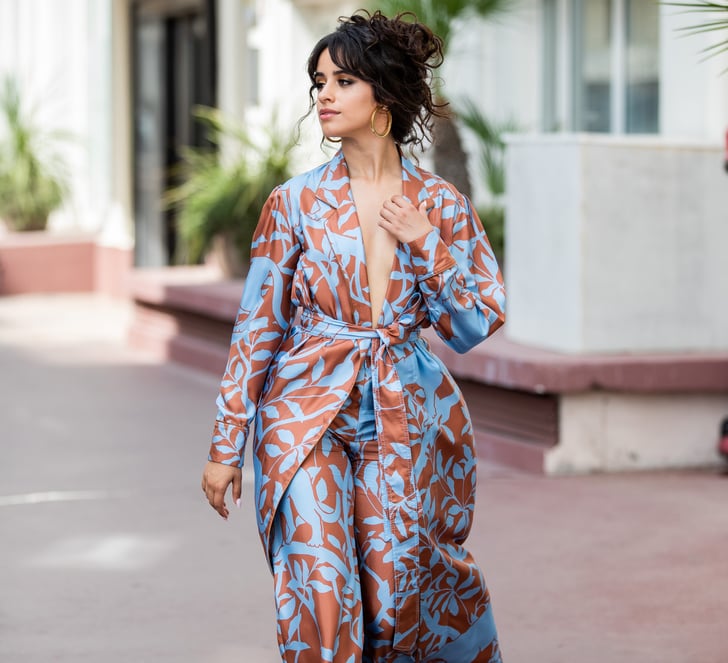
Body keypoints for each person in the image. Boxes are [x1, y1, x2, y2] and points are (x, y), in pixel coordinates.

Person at [201, 10, 506, 662]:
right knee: (321, 586)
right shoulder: (294, 203)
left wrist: (426, 243)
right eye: (318, 82)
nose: (323, 95)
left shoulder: (441, 206)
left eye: (342, 81)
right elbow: (257, 326)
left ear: (383, 95)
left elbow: (473, 323)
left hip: (404, 411)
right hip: (304, 410)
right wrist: (227, 445)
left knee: (398, 589)